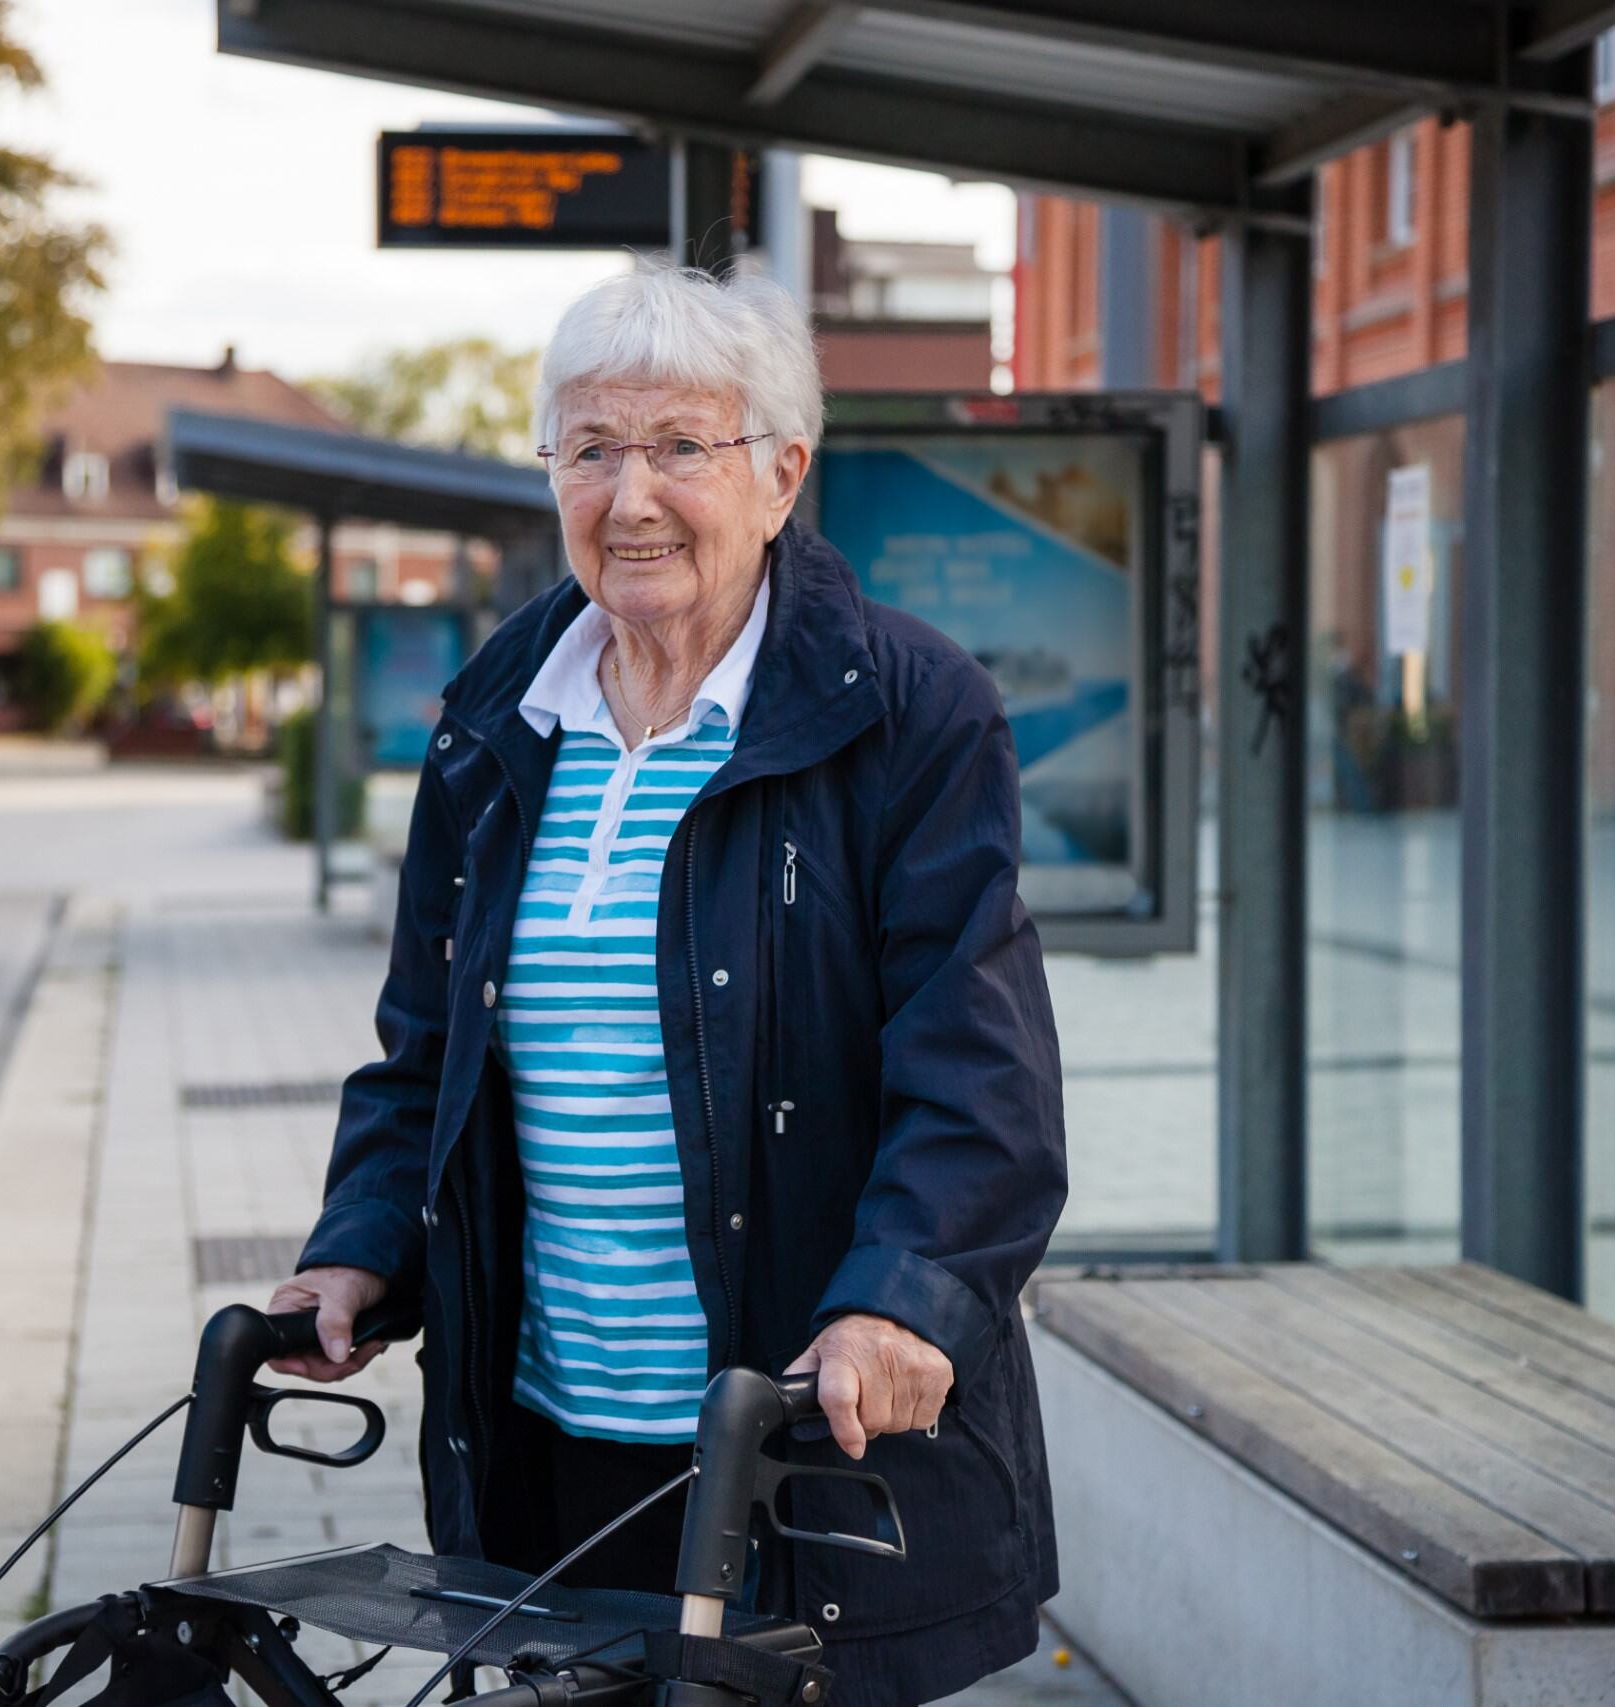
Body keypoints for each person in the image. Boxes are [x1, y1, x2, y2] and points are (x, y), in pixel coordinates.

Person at [268, 261, 1068, 1703]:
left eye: (680, 448)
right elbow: (425, 1048)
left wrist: (900, 1304)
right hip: (548, 1436)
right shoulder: (496, 726)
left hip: (799, 1441)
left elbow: (979, 1076)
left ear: (781, 475)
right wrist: (359, 1245)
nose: (630, 497)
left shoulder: (905, 712)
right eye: (589, 449)